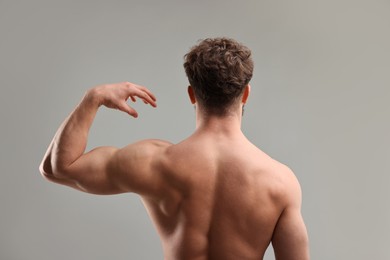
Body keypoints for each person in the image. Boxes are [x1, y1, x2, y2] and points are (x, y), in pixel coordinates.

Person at [39, 37, 309, 260]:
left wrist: (93, 98)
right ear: (246, 94)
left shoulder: (152, 162)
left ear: (192, 93)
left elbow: (58, 168)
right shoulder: (280, 182)